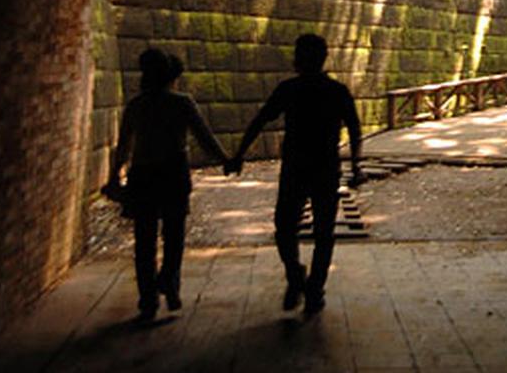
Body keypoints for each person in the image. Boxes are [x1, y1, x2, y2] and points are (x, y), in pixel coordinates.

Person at [225, 34, 362, 314]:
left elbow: (260, 120)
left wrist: (239, 154)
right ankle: (314, 288)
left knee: (284, 228)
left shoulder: (289, 89)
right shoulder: (337, 91)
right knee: (324, 232)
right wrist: (356, 166)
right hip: (325, 169)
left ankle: (296, 275)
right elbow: (355, 129)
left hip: (296, 169)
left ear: (298, 59)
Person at [106, 48, 229, 322]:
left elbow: (124, 146)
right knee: (174, 237)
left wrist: (115, 176)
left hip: (143, 175)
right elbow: (204, 138)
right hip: (173, 173)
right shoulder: (182, 103)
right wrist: (226, 160)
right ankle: (170, 283)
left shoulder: (136, 106)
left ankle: (148, 301)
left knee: (144, 242)